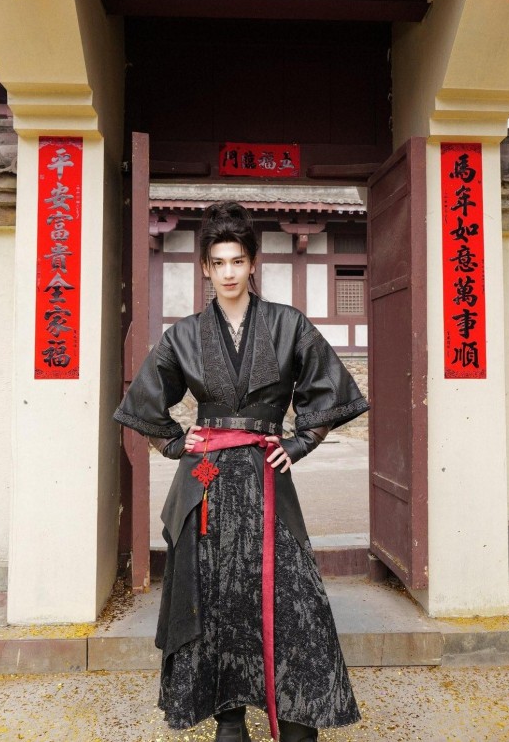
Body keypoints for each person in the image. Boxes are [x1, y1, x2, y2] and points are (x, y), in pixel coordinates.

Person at [114, 202, 369, 742]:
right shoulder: (185, 335)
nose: (228, 272)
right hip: (206, 481)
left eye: (237, 260)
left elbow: (328, 391)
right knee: (214, 596)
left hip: (265, 475)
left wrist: (299, 442)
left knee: (294, 596)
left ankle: (299, 716)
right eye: (218, 262)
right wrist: (176, 442)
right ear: (205, 268)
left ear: (253, 263)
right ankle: (228, 721)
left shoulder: (287, 323)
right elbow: (144, 402)